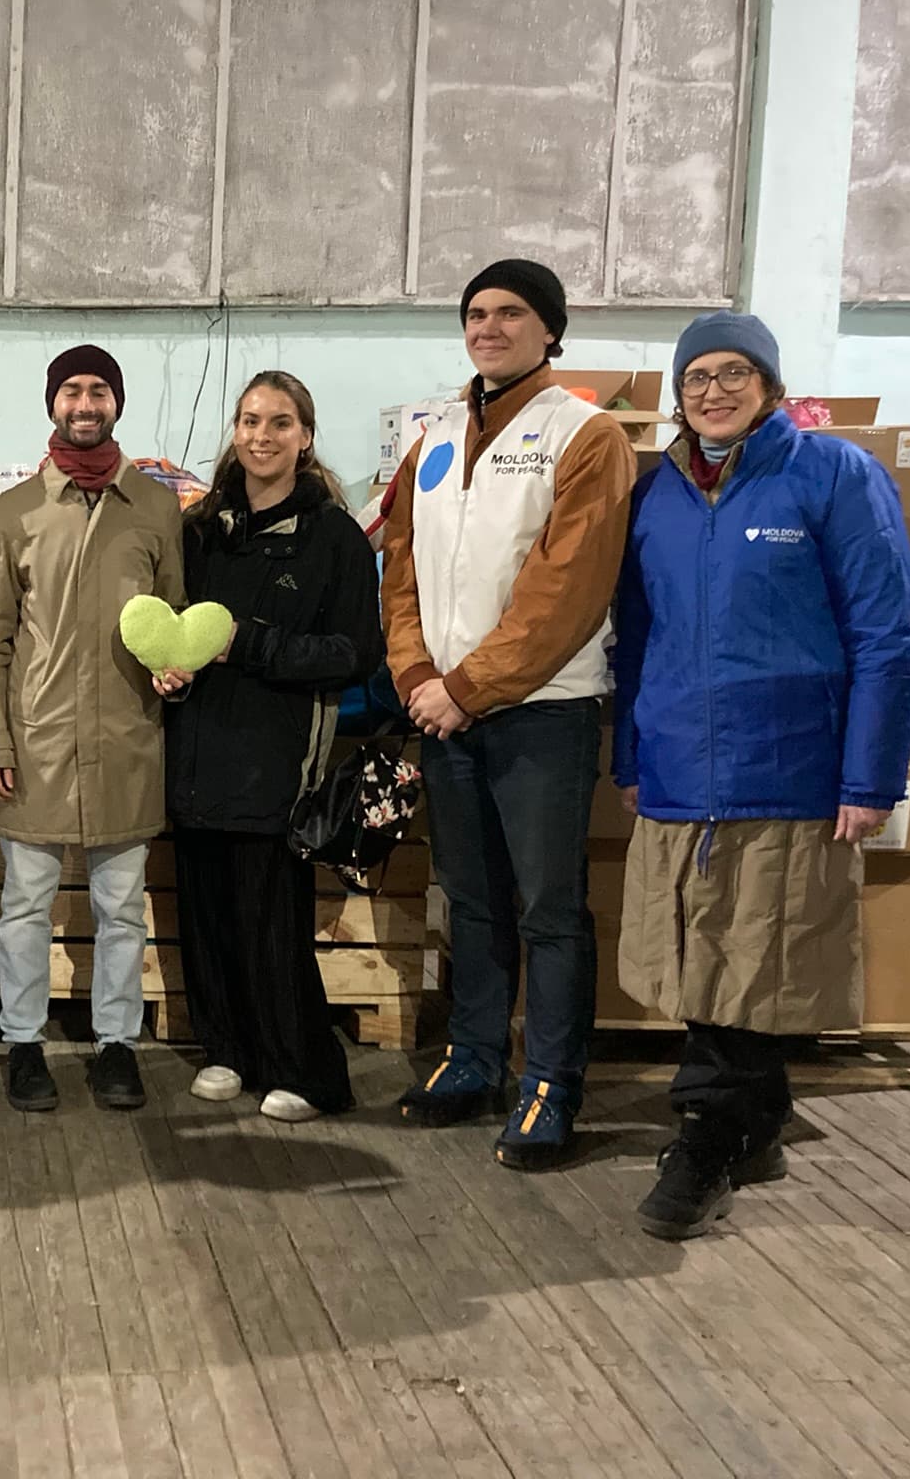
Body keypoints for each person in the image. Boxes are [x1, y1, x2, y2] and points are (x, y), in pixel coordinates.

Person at [613, 312, 910, 1238]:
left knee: (759, 951)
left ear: (771, 386)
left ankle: (709, 1131)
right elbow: (633, 638)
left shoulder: (833, 475)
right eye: (696, 376)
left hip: (787, 764)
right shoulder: (655, 492)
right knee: (704, 951)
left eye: (734, 372)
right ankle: (757, 1125)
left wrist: (870, 777)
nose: (712, 390)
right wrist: (630, 754)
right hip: (678, 763)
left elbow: (888, 638)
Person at [383, 258, 636, 1169]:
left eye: (510, 313)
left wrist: (468, 687)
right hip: (443, 707)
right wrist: (415, 668)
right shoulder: (438, 430)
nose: (489, 327)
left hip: (541, 714)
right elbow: (401, 559)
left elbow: (564, 589)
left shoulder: (588, 435)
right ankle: (476, 1060)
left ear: (550, 330)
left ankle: (551, 1085)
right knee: (474, 900)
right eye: (476, 314)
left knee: (549, 908)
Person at [153, 371, 385, 1121]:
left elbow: (354, 651)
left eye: (279, 423)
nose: (261, 435)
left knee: (271, 926)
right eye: (250, 420)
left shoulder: (333, 536)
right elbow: (178, 626)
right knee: (209, 916)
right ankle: (226, 1051)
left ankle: (305, 1070)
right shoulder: (201, 529)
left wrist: (250, 644)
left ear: (305, 437)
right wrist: (172, 670)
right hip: (197, 753)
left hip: (277, 760)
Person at [0, 344, 183, 1113]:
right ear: (52, 403)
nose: (84, 403)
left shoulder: (156, 509)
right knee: (26, 902)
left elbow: (175, 623)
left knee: (121, 905)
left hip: (125, 739)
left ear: (115, 403)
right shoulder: (15, 512)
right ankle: (24, 1041)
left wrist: (175, 668)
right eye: (70, 390)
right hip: (36, 743)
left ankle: (115, 1044)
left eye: (98, 390)